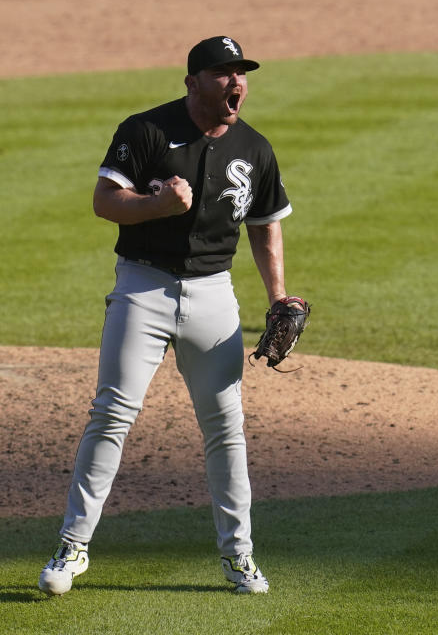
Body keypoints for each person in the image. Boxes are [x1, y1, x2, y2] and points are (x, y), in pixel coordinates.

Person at [38, 36, 295, 596]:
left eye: (241, 73)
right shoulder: (146, 131)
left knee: (226, 428)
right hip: (143, 287)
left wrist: (277, 296)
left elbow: (266, 223)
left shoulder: (255, 148)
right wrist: (156, 206)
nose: (236, 83)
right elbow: (105, 201)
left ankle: (239, 557)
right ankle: (72, 547)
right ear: (193, 82)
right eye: (223, 73)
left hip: (214, 296)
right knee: (112, 414)